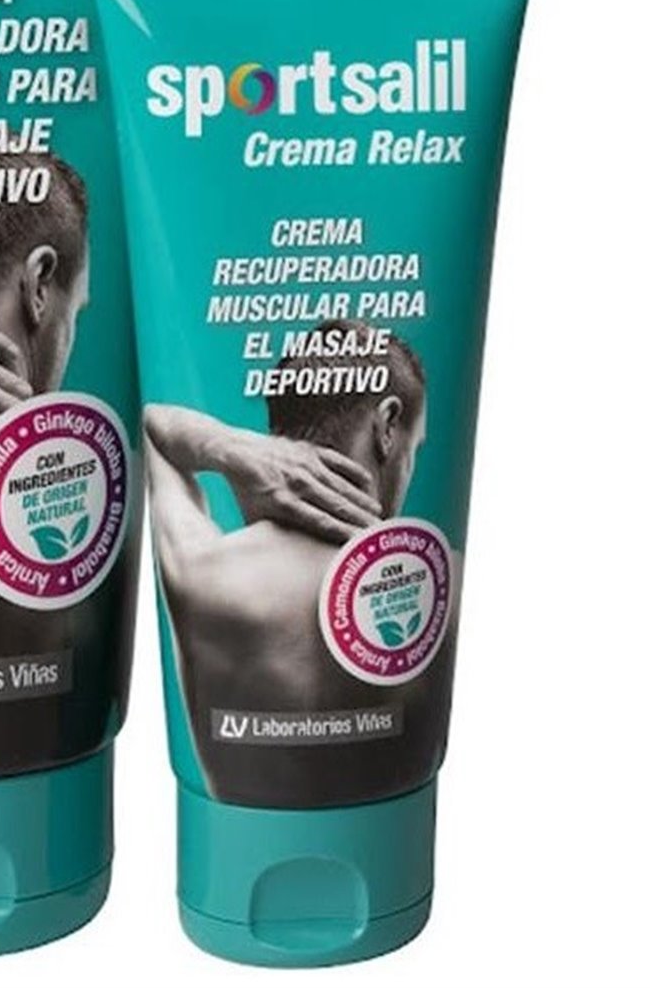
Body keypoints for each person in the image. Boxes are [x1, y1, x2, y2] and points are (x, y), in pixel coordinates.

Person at [0, 152, 384, 780]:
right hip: (60, 806)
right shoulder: (94, 486)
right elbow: (167, 434)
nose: (70, 333)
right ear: (39, 284)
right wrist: (237, 449)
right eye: (76, 309)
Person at [146, 320, 458, 808]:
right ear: (387, 426)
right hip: (392, 834)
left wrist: (230, 447)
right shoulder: (441, 586)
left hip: (235, 834)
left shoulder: (202, 572)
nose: (409, 468)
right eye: (413, 448)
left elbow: (153, 429)